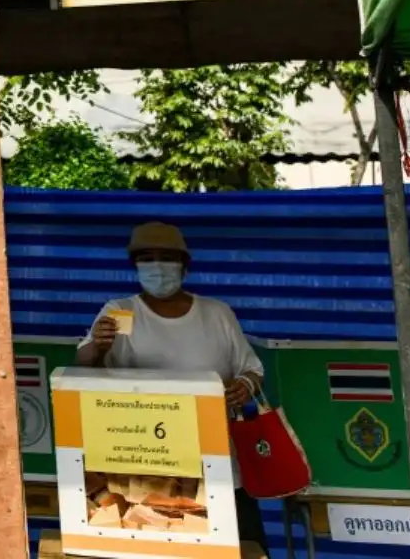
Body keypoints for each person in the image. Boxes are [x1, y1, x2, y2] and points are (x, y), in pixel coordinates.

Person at [78, 221, 268, 550]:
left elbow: (251, 369)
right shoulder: (121, 312)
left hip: (218, 463)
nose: (157, 267)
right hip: (147, 469)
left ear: (184, 265)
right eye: (146, 258)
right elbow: (83, 368)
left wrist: (244, 385)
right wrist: (98, 345)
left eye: (166, 257)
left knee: (241, 547)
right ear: (135, 265)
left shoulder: (217, 313)